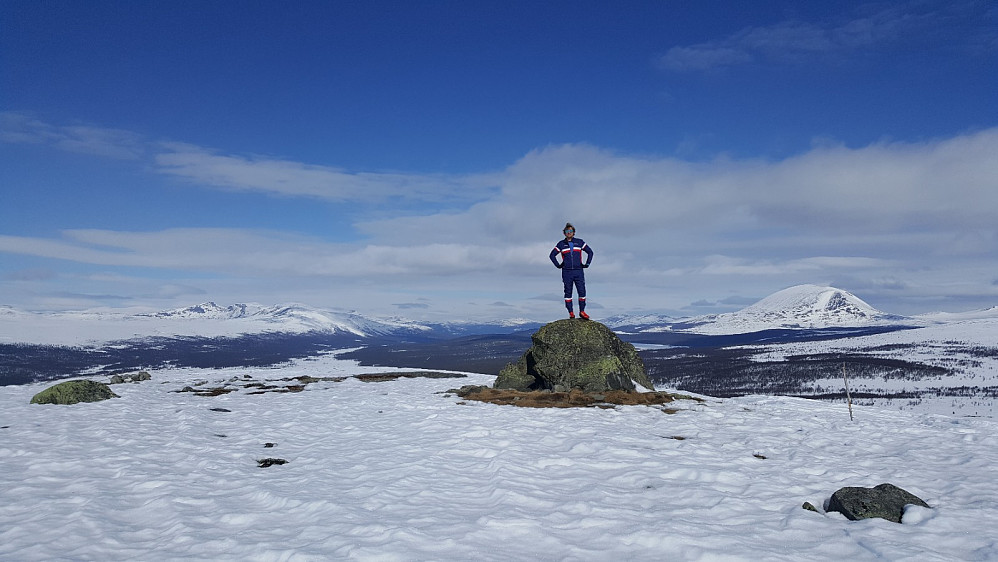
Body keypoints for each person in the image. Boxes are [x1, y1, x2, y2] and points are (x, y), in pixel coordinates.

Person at [549, 222, 594, 319]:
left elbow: (590, 252)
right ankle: (571, 313)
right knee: (568, 292)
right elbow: (552, 255)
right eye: (567, 231)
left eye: (570, 231)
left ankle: (582, 311)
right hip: (567, 272)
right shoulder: (561, 244)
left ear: (574, 232)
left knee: (582, 291)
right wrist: (558, 265)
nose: (569, 233)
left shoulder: (580, 242)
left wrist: (587, 264)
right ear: (564, 233)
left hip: (578, 271)